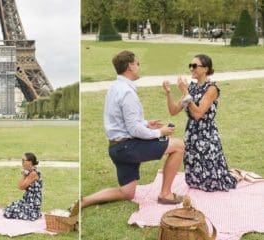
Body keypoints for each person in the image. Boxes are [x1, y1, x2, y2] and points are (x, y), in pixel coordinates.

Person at [81, 50, 185, 208]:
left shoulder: (114, 88)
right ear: (130, 66)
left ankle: (85, 201)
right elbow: (134, 130)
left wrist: (145, 124)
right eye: (137, 63)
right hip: (128, 147)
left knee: (127, 193)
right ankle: (165, 194)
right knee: (178, 145)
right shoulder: (127, 92)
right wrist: (159, 132)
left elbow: (122, 121)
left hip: (116, 148)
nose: (139, 66)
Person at [162, 54, 237, 192]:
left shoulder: (211, 88)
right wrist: (168, 93)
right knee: (193, 168)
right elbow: (173, 111)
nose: (191, 69)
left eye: (195, 66)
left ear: (205, 69)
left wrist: (185, 92)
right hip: (191, 132)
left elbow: (198, 113)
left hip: (206, 133)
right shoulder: (191, 87)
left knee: (209, 173)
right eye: (190, 65)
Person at [3, 152, 42, 221]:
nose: (22, 163)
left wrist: (24, 175)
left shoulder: (33, 173)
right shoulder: (30, 171)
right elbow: (19, 186)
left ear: (30, 162)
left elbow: (21, 187)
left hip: (32, 204)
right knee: (10, 207)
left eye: (24, 161)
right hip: (27, 200)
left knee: (9, 212)